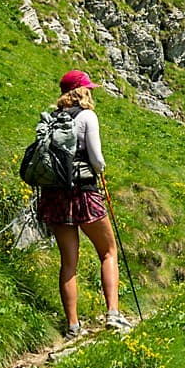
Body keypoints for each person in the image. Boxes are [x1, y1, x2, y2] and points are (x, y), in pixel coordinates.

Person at [35, 69, 133, 338]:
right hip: (83, 193)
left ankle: (72, 327)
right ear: (82, 91)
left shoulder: (52, 119)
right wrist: (100, 171)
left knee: (69, 263)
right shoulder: (87, 116)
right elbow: (97, 159)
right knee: (109, 251)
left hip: (54, 196)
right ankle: (113, 314)